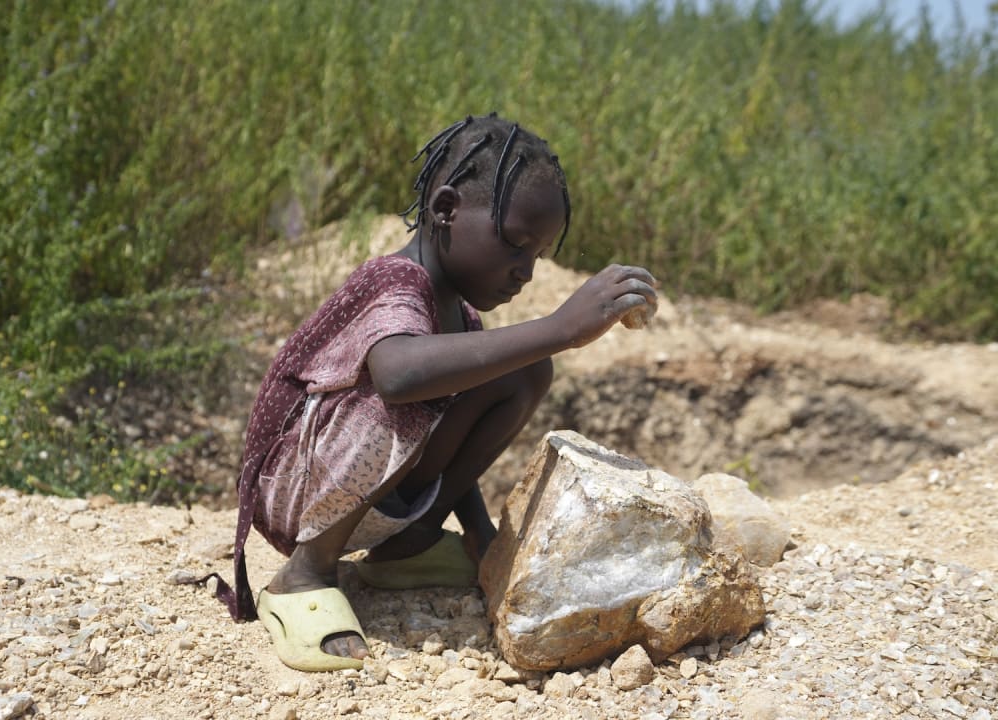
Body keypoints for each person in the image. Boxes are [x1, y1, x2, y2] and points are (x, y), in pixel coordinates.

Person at [207, 113, 659, 672]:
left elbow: (456, 415)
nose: (525, 272)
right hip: (295, 492)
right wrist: (561, 328)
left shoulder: (461, 313)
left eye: (536, 257)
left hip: (365, 491)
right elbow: (398, 376)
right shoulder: (393, 282)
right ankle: (305, 575)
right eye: (516, 245)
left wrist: (481, 536)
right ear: (445, 210)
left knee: (521, 370)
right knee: (410, 388)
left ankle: (408, 548)